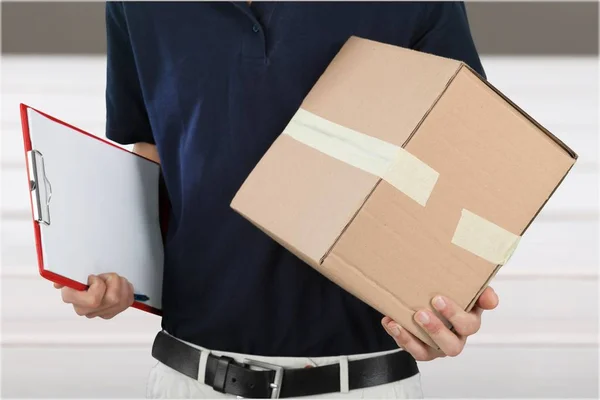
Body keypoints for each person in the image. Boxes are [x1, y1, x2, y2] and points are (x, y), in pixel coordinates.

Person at [55, 1, 499, 398]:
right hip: (186, 378)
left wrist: (450, 301)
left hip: (364, 381)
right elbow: (152, 151)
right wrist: (114, 278)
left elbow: (471, 157)